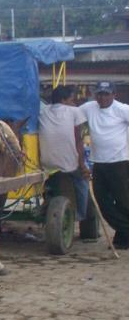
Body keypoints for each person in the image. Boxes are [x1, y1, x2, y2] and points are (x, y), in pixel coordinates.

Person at [79, 81, 129, 249]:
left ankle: (123, 238)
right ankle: (125, 232)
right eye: (100, 93)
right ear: (95, 95)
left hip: (120, 163)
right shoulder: (89, 108)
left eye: (106, 94)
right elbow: (72, 115)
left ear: (114, 95)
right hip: (99, 163)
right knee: (102, 203)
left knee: (124, 202)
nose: (103, 97)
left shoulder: (122, 110)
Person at [38, 85, 90, 224]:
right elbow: (78, 140)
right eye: (71, 99)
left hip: (46, 162)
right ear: (64, 99)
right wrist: (82, 164)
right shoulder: (74, 111)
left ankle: (47, 200)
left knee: (49, 181)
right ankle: (80, 214)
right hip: (68, 163)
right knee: (82, 182)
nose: (73, 102)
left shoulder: (43, 111)